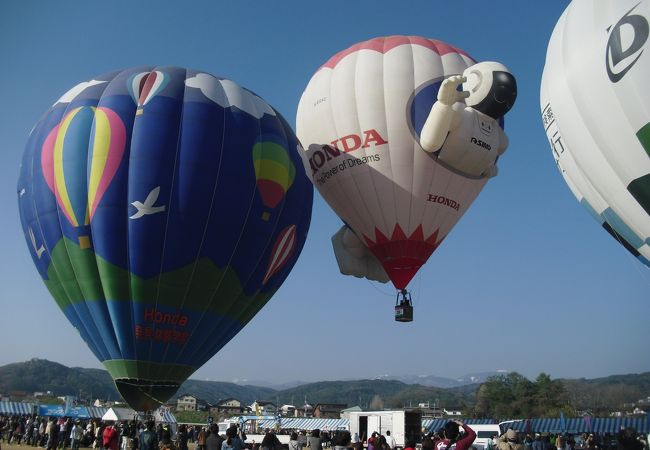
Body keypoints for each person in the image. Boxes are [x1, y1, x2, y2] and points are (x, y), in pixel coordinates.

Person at [420, 61, 517, 179]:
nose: (505, 97)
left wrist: (488, 167)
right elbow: (430, 144)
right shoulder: (460, 112)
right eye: (501, 91)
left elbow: (491, 166)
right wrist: (444, 105)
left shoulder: (499, 137)